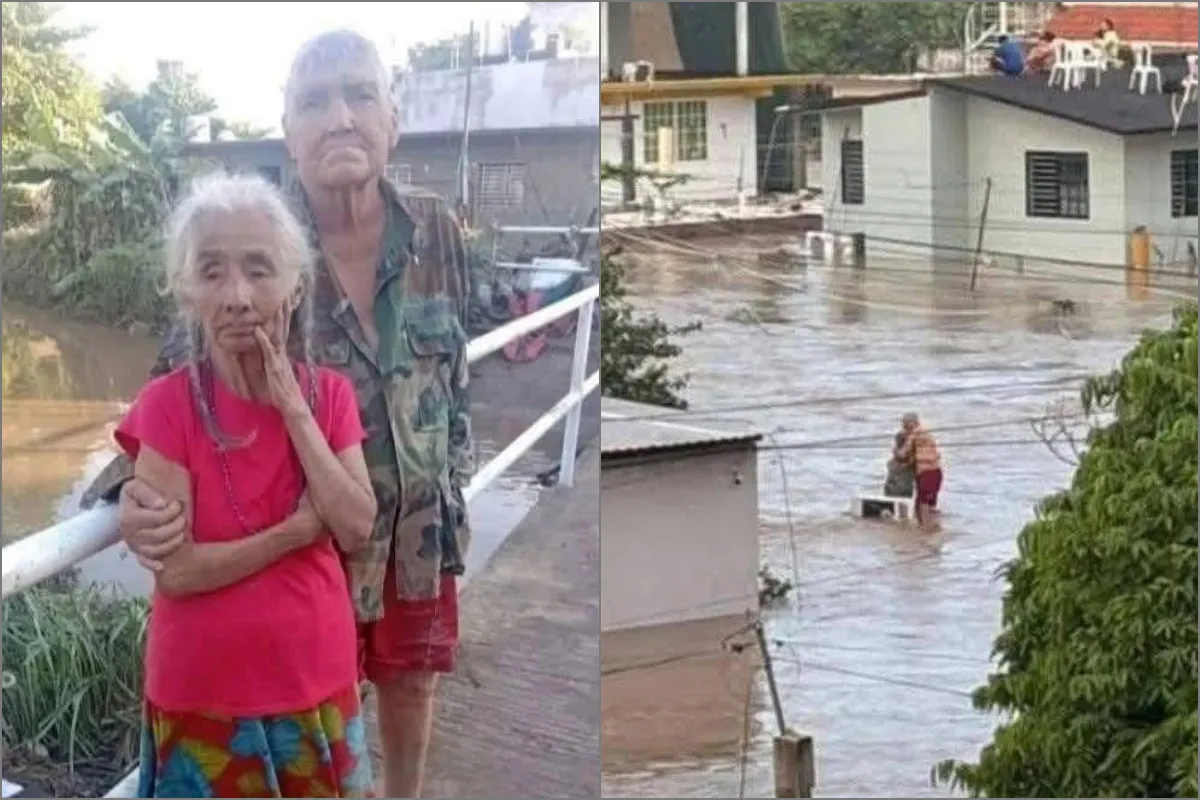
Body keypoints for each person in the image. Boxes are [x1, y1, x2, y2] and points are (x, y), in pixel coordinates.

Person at [79, 30, 475, 799]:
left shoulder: (436, 231)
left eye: (361, 95)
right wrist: (129, 497)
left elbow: (457, 377)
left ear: (393, 118)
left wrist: (453, 489)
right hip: (312, 547)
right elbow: (178, 385)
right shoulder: (252, 241)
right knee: (325, 715)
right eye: (314, 102)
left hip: (416, 537)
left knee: (413, 693)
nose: (340, 120)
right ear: (289, 132)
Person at [118, 173, 376, 797]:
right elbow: (177, 571)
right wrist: (294, 532)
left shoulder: (330, 395)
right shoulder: (167, 407)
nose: (236, 296)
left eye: (258, 270)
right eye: (211, 272)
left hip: (315, 680)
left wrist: (292, 407)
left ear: (293, 285)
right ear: (186, 292)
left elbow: (358, 525)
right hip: (202, 696)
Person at [894, 412, 942, 529]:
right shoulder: (926, 434)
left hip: (926, 472)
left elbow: (903, 454)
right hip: (936, 471)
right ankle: (931, 526)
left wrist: (895, 451)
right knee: (928, 502)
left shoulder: (916, 434)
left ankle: (925, 527)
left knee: (922, 503)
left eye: (905, 424)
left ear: (912, 423)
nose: (904, 427)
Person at [882, 429, 915, 499]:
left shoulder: (908, 456)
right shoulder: (903, 455)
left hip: (899, 488)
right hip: (895, 487)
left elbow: (902, 456)